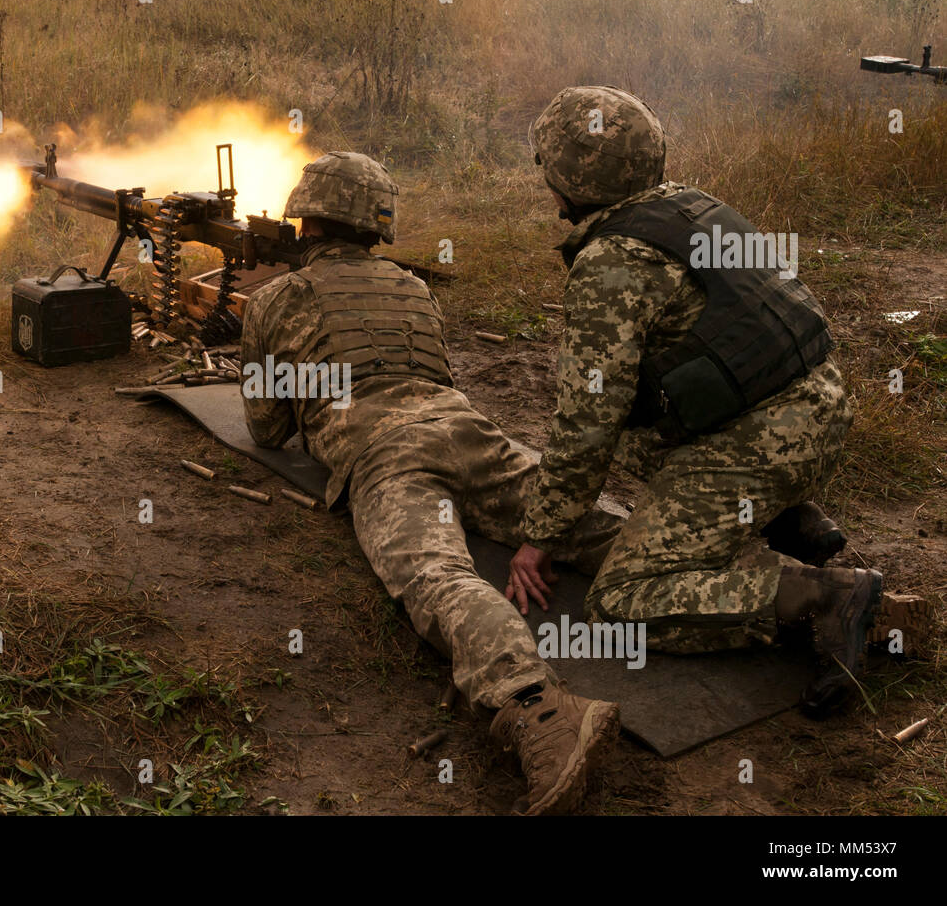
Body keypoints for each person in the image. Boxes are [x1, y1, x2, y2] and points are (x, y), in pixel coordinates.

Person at [241, 151, 624, 814]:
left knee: (439, 577)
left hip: (386, 453)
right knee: (595, 526)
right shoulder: (414, 288)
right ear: (377, 227)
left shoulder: (276, 300)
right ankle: (804, 592)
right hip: (469, 429)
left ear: (305, 224)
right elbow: (436, 377)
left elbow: (267, 430)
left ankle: (540, 712)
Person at [513, 85, 905, 717]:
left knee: (621, 597)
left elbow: (588, 420)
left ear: (564, 178)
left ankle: (825, 596)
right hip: (821, 409)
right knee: (646, 428)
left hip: (761, 442)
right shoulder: (688, 207)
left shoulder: (613, 262)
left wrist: (541, 536)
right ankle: (788, 520)